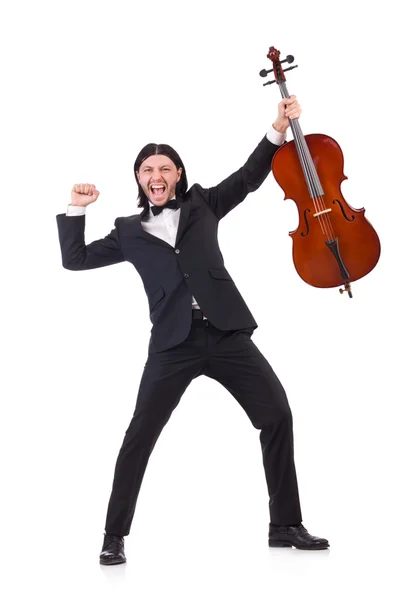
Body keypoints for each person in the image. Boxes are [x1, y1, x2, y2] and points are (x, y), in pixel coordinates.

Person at [56, 95, 329, 565]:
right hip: (172, 345)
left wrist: (278, 127)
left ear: (177, 174)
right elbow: (74, 260)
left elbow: (247, 178)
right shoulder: (127, 230)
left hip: (226, 333)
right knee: (139, 435)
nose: (156, 175)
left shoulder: (203, 203)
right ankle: (113, 536)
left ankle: (285, 524)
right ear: (139, 179)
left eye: (164, 167)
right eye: (147, 169)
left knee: (277, 414)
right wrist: (76, 208)